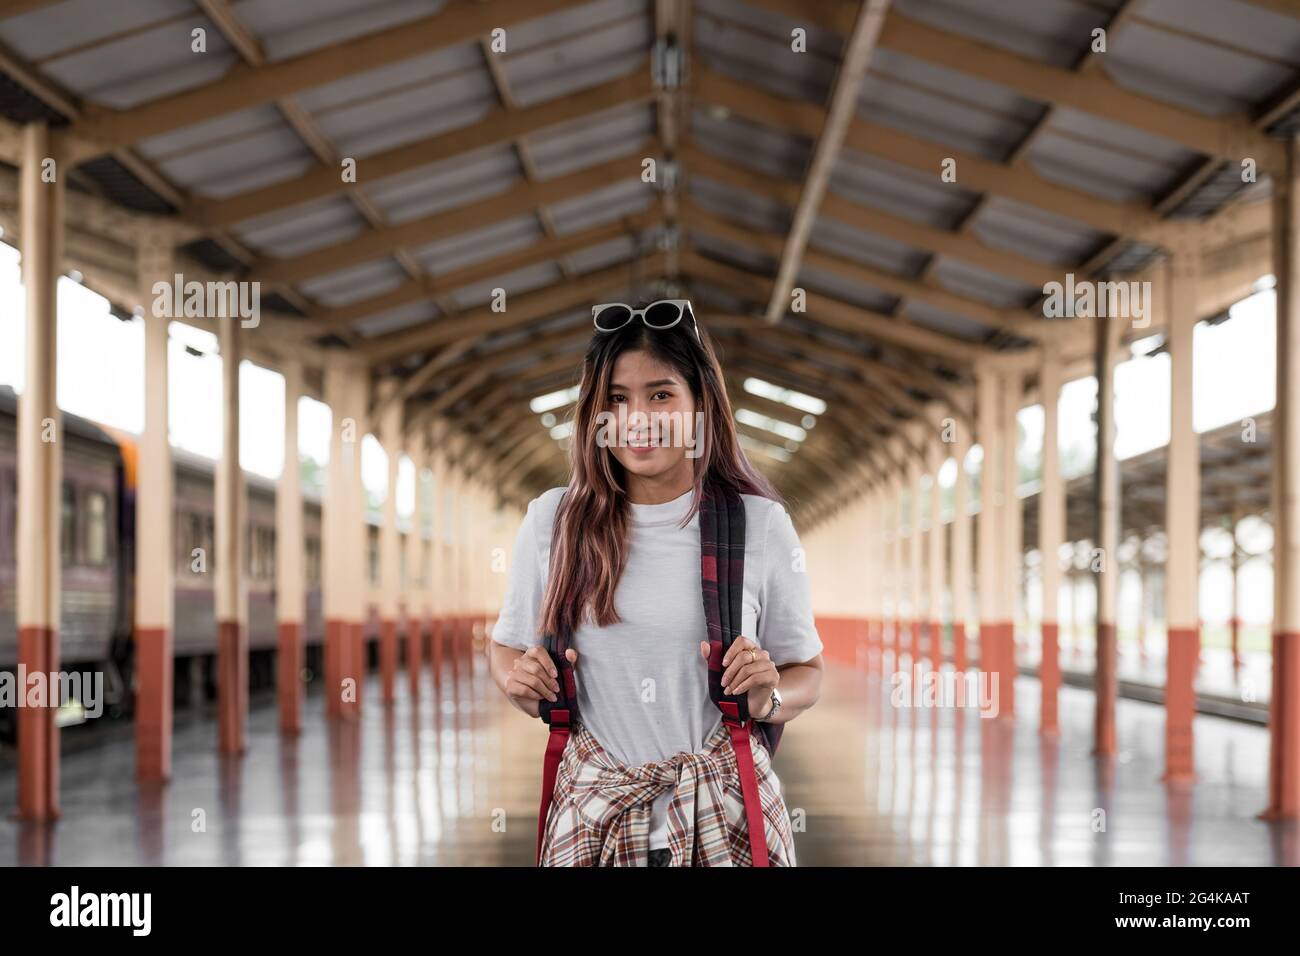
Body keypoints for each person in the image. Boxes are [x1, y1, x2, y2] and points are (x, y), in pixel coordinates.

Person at [487, 299, 824, 866]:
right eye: (616, 399)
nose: (636, 417)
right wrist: (518, 681)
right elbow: (506, 646)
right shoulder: (553, 523)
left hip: (726, 816)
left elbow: (806, 674)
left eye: (661, 395)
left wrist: (767, 696)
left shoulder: (758, 526)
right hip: (594, 814)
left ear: (701, 407)